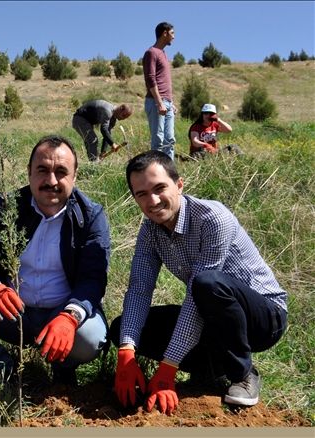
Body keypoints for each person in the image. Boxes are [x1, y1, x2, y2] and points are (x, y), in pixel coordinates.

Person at [110, 150, 287, 415]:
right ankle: (209, 369)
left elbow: (198, 292)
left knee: (207, 283)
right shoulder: (149, 230)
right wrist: (126, 350)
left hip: (263, 318)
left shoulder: (212, 218)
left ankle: (242, 373)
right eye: (142, 194)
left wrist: (169, 366)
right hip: (213, 313)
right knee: (121, 328)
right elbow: (139, 289)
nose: (153, 200)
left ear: (179, 185)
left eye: (160, 188)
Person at [0, 135, 111, 386]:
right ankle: (0, 368)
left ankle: (62, 365)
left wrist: (69, 317)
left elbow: (93, 277)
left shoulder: (90, 216)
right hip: (11, 311)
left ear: (75, 177)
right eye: (42, 170)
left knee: (91, 337)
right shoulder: (8, 206)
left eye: (61, 172)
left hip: (61, 311)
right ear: (29, 173)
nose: (51, 181)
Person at [143, 22, 177, 160]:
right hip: (156, 102)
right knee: (158, 140)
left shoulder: (163, 54)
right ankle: (157, 172)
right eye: (172, 33)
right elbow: (150, 79)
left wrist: (171, 102)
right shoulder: (151, 52)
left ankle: (170, 173)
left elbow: (164, 81)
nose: (174, 37)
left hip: (167, 103)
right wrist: (159, 102)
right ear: (164, 33)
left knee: (170, 140)